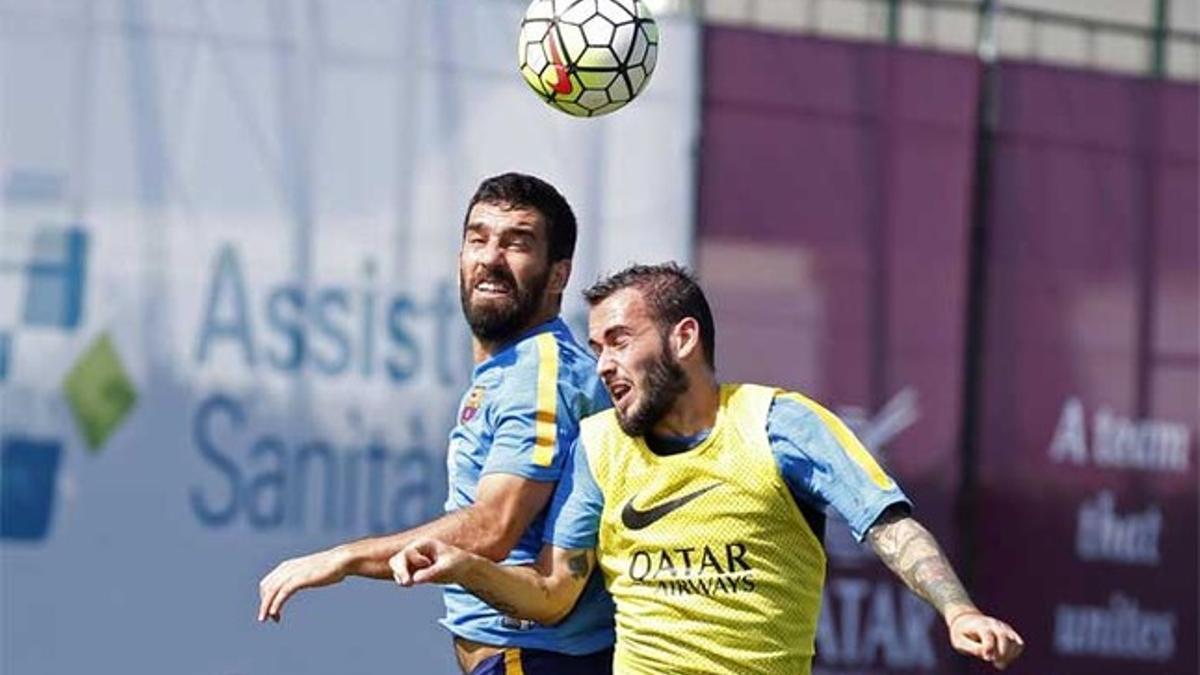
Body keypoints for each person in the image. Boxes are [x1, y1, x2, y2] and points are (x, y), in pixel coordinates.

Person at [392, 262, 1025, 674]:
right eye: (595, 348)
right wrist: (467, 568)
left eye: (619, 341)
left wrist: (957, 610)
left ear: (684, 339)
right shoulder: (598, 446)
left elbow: (890, 526)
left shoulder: (779, 424)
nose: (604, 364)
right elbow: (554, 595)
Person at [257, 173, 615, 674]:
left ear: (558, 275)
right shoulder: (514, 367)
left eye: (517, 243)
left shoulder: (541, 373)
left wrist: (346, 558)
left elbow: (493, 528)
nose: (490, 257)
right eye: (478, 238)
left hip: (538, 661)